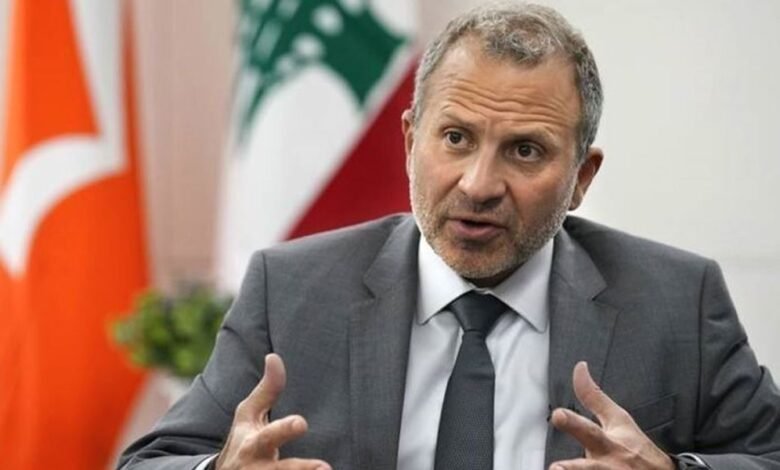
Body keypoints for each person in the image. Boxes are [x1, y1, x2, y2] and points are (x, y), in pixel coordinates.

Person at [118, 2, 780, 470]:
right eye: (456, 138)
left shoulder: (675, 300)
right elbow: (152, 461)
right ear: (411, 142)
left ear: (581, 177)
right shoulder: (291, 291)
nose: (478, 184)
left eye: (525, 151)